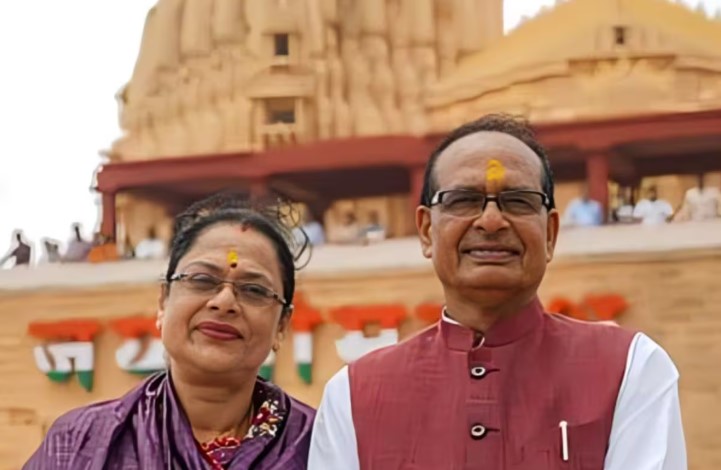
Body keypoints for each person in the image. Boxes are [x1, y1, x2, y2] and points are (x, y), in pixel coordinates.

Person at [308, 115, 686, 469]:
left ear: (550, 233)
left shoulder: (631, 367)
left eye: (518, 201)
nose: (491, 221)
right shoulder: (353, 395)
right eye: (463, 200)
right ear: (426, 231)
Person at [25, 193, 315, 469]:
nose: (225, 302)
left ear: (281, 325)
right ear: (163, 301)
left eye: (254, 290)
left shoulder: (318, 445)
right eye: (202, 280)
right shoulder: (79, 443)